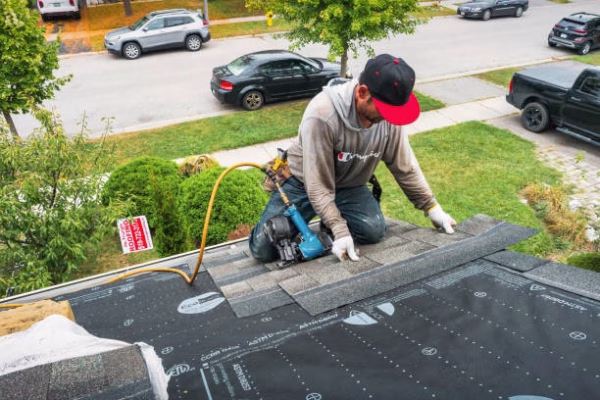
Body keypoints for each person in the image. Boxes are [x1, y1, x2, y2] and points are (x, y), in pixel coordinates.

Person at [249, 54, 456, 263]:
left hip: (348, 185)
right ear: (362, 92)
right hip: (304, 181)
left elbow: (405, 166)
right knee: (263, 250)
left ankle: (326, 219)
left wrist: (431, 207)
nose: (389, 118)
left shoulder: (389, 119)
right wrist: (339, 229)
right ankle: (315, 218)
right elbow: (317, 185)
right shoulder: (322, 115)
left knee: (373, 231)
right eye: (385, 110)